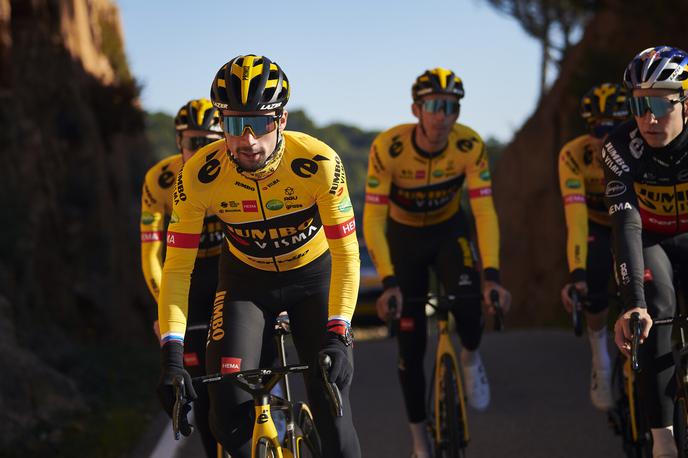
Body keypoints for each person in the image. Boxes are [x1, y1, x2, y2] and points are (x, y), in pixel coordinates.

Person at [155, 54, 361, 458]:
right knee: (226, 420)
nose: (247, 140)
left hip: (314, 280)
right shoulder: (198, 176)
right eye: (233, 124)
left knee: (333, 416)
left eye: (260, 122)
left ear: (281, 120)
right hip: (245, 284)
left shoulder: (319, 163)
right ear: (221, 125)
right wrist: (173, 357)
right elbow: (178, 268)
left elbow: (347, 254)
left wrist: (339, 333)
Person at [362, 67, 511, 458]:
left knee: (469, 308)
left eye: (451, 107)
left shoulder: (469, 145)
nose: (443, 116)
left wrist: (491, 275)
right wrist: (389, 280)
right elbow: (374, 219)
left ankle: (470, 355)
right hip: (404, 238)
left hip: (449, 232)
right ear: (416, 109)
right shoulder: (388, 148)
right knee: (410, 349)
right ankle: (418, 442)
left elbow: (484, 212)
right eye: (434, 106)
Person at [609, 45, 688, 458]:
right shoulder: (621, 145)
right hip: (649, 239)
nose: (649, 118)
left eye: (661, 102)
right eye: (639, 103)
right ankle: (663, 442)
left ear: (686, 104)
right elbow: (626, 223)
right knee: (652, 311)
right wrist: (632, 304)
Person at [140, 98, 224, 457]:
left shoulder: (233, 171)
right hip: (186, 278)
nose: (201, 150)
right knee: (203, 395)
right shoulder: (159, 181)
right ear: (179, 142)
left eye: (210, 142)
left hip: (229, 273)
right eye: (194, 142)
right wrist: (165, 307)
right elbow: (150, 254)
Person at [558, 83, 629, 411]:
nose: (606, 136)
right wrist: (578, 273)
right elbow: (576, 221)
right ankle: (600, 360)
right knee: (594, 278)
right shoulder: (573, 155)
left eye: (615, 127)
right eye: (599, 129)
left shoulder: (642, 148)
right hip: (596, 226)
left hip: (634, 221)